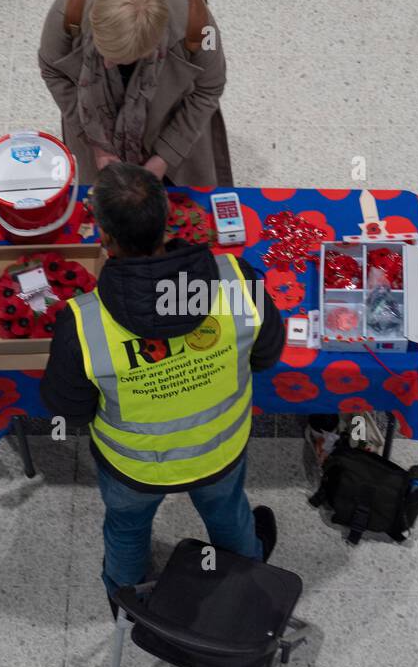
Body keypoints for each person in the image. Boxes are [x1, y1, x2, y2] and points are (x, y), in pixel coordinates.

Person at [41, 164, 284, 612]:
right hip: (219, 451)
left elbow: (69, 409)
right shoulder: (237, 279)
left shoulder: (83, 322)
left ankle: (126, 597)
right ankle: (246, 567)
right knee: (228, 513)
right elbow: (267, 355)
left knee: (127, 529)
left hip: (133, 469)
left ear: (106, 239)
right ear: (167, 219)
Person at [37, 0, 227, 187]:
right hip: (93, 120)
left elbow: (210, 87)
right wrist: (95, 142)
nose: (106, 65)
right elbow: (51, 70)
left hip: (170, 117)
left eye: (118, 60)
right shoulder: (68, 11)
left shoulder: (201, 26)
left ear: (152, 50)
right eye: (102, 53)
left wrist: (167, 154)